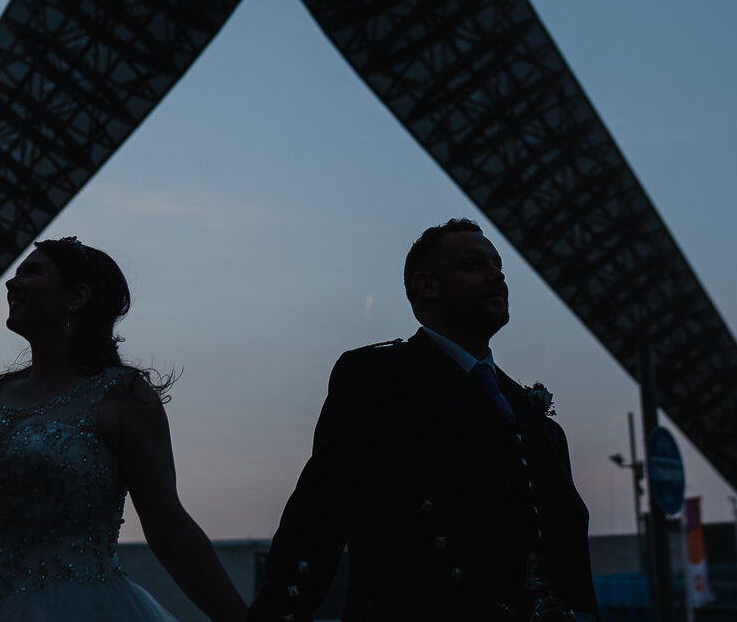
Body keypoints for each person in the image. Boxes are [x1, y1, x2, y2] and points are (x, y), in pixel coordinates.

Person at [249, 219, 600, 622]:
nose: (496, 275)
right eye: (475, 264)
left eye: (498, 265)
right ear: (426, 286)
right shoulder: (377, 381)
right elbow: (315, 524)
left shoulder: (535, 418)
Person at [0, 237, 248, 622]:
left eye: (31, 273)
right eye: (16, 273)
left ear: (77, 296)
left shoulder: (124, 398)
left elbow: (170, 528)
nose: (11, 284)